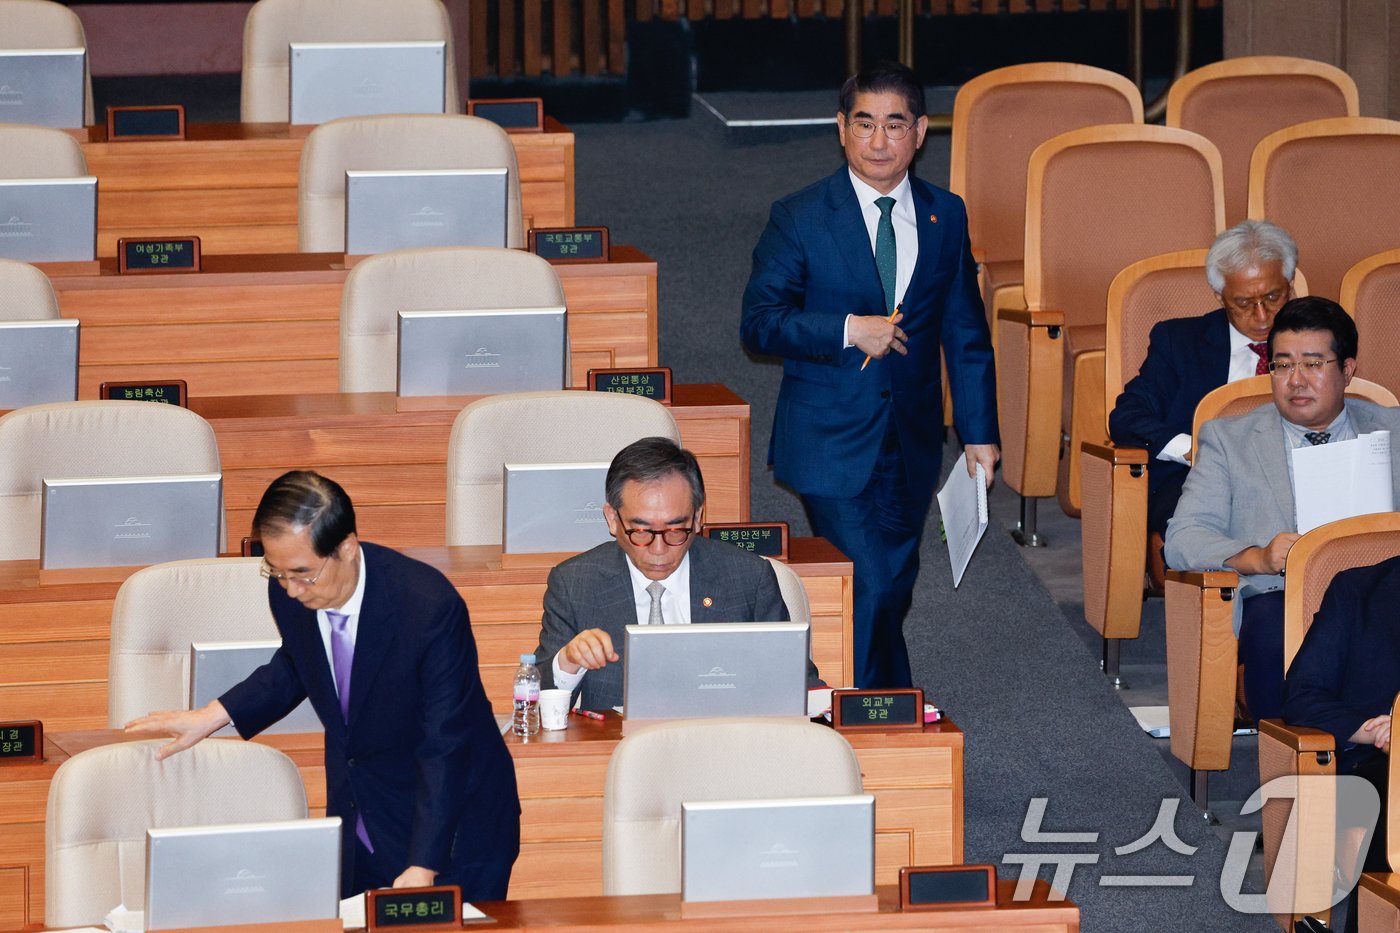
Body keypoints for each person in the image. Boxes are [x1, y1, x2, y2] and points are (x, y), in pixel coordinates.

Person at [126, 471, 520, 899]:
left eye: (302, 573)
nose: (292, 590)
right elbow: (301, 662)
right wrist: (212, 716)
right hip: (362, 814)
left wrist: (424, 865)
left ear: (347, 548)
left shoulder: (427, 608)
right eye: (276, 572)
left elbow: (445, 745)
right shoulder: (290, 590)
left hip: (455, 830)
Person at [739, 61, 998, 690]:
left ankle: (869, 705)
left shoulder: (946, 215)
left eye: (894, 125)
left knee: (894, 583)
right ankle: (870, 711)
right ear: (841, 129)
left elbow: (965, 332)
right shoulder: (800, 216)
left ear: (920, 132)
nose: (878, 141)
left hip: (909, 442)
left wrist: (978, 432)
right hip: (828, 436)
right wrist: (848, 329)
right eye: (864, 124)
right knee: (871, 581)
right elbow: (760, 323)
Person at [1164, 297, 1400, 722]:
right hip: (1278, 594)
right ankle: (1293, 756)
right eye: (1283, 365)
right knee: (1275, 629)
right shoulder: (1228, 438)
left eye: (1313, 364)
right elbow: (1182, 538)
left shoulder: (1393, 429)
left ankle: (1379, 751)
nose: (1296, 381)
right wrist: (1258, 557)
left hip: (1379, 594)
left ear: (1347, 370)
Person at [535, 436, 821, 710]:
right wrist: (569, 661)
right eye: (642, 531)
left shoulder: (748, 577)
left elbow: (798, 683)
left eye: (675, 530)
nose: (659, 549)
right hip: (617, 752)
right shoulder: (575, 584)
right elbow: (536, 709)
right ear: (612, 519)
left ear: (697, 517)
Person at [1109, 219, 1298, 545]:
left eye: (1272, 296)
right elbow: (1127, 417)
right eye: (1243, 303)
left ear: (1290, 284)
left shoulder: (1319, 339)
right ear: (1219, 296)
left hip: (1297, 478)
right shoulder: (1180, 342)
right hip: (1201, 482)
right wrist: (1193, 450)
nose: (1262, 315)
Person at [1283, 555, 1400, 933]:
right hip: (1370, 763)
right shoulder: (1357, 589)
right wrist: (1374, 731)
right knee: (1389, 789)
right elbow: (1303, 694)